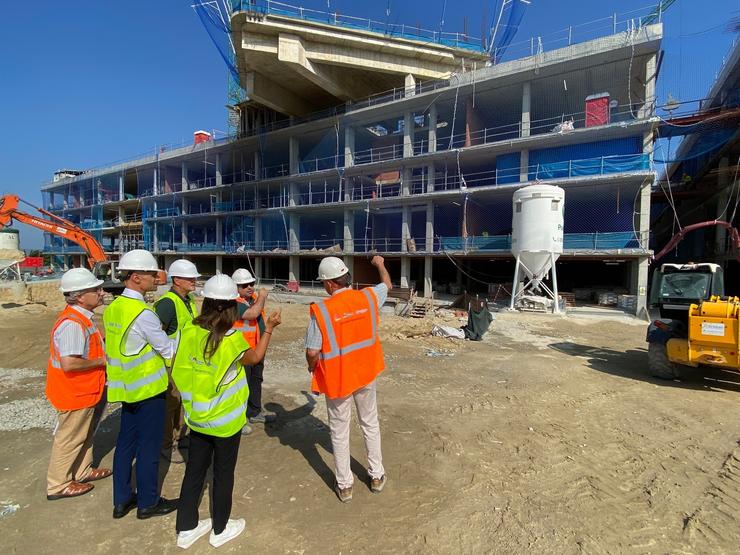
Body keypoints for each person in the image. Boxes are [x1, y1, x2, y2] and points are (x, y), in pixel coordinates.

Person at [172, 274, 281, 549]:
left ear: (206, 302)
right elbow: (254, 358)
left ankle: (186, 528)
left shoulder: (189, 330)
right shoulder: (230, 339)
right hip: (225, 422)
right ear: (232, 306)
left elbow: (179, 371)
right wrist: (268, 328)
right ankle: (220, 529)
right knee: (222, 473)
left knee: (195, 471)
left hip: (197, 417)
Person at [305, 255, 391, 503]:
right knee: (370, 423)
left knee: (340, 432)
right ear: (345, 279)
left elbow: (312, 351)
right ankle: (376, 476)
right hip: (366, 373)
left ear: (330, 284)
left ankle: (345, 486)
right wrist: (380, 264)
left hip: (338, 379)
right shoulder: (367, 297)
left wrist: (313, 369)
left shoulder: (321, 311)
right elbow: (387, 285)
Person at [103, 249, 178, 520]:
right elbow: (168, 350)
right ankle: (148, 502)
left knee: (125, 444)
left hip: (126, 388)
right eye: (150, 273)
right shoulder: (142, 313)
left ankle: (121, 500)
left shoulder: (113, 309)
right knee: (149, 446)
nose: (157, 277)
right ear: (136, 278)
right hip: (148, 391)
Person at [45, 268, 111, 501]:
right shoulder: (72, 324)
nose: (101, 293)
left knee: (83, 434)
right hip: (74, 391)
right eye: (96, 289)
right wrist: (103, 360)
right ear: (80, 295)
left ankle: (82, 471)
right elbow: (70, 364)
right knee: (70, 438)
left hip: (84, 390)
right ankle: (58, 484)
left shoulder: (82, 319)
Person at [154, 258, 201, 464]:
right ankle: (166, 445)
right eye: (190, 278)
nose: (194, 281)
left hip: (186, 362)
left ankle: (180, 438)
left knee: (182, 402)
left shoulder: (189, 300)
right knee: (169, 406)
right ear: (177, 280)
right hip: (170, 364)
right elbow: (157, 335)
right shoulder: (167, 303)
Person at [231, 268, 276, 428]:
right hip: (243, 352)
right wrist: (263, 297)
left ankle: (254, 412)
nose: (249, 287)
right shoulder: (233, 303)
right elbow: (252, 314)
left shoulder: (253, 299)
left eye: (251, 283)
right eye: (244, 285)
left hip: (257, 349)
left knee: (256, 381)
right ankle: (238, 419)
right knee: (241, 385)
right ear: (235, 287)